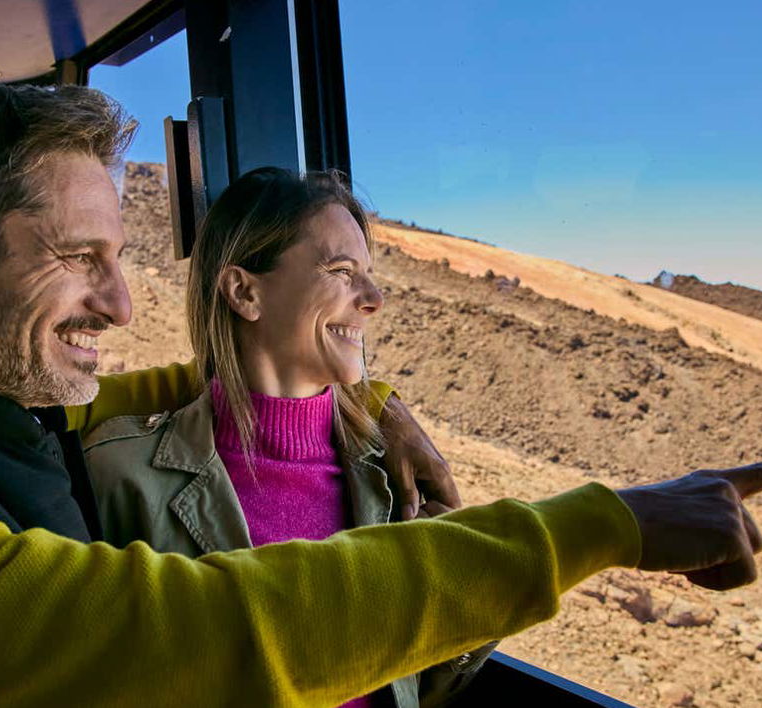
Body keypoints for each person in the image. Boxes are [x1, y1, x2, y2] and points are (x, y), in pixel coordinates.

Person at [0, 82, 762, 707]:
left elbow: (196, 389)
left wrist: (374, 403)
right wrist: (602, 524)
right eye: (76, 258)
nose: (121, 304)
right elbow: (206, 633)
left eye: (121, 259)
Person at [84, 166, 497, 707]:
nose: (374, 298)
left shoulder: (394, 477)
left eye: (369, 275)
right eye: (341, 270)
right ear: (244, 292)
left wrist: (467, 605)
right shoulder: (122, 478)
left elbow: (418, 685)